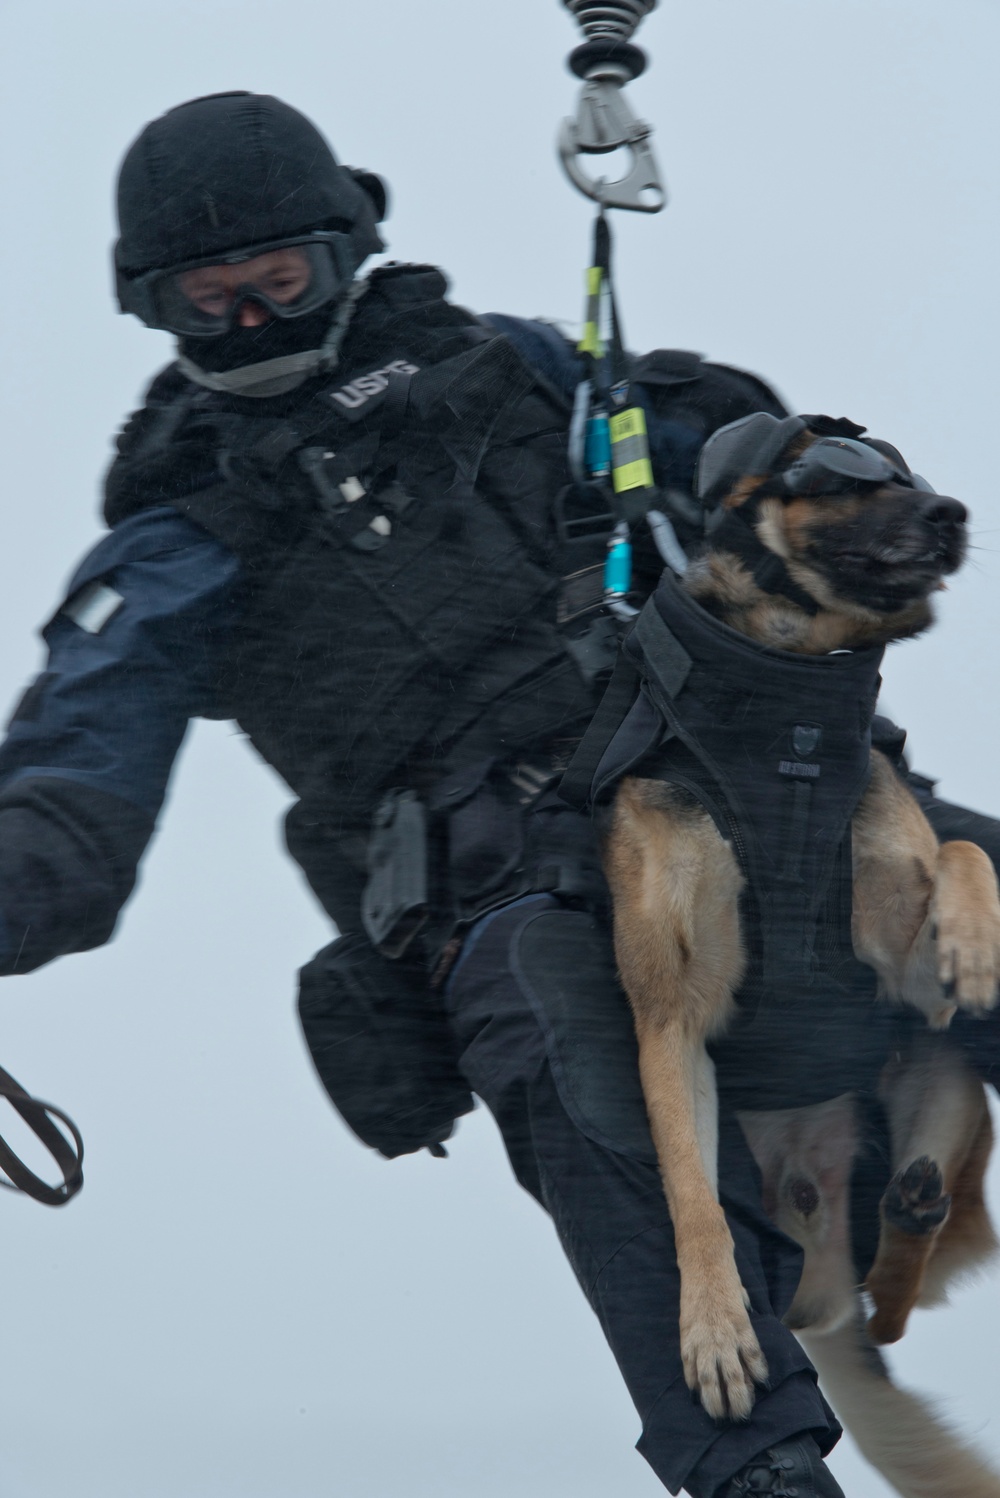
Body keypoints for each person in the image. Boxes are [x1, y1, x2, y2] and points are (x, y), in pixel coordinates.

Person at [3, 90, 999, 1498]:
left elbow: (733, 449)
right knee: (571, 1051)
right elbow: (71, 770)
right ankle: (759, 1473)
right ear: (151, 306)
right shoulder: (177, 541)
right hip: (508, 887)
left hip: (730, 785)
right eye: (205, 300)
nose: (248, 325)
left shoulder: (522, 375)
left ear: (342, 254)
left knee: (975, 881)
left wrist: (748, 457)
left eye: (276, 283)